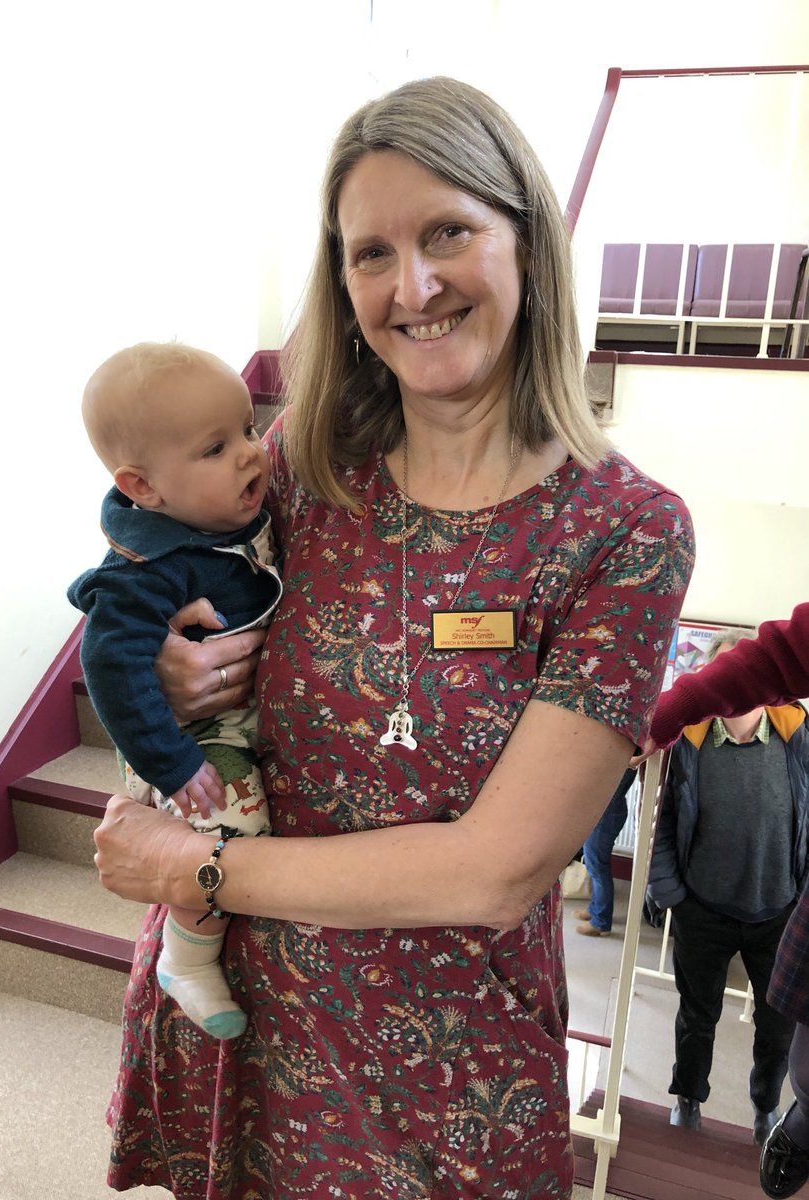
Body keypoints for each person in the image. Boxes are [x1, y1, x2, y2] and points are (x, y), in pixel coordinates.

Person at [91, 76, 695, 1200]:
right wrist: (171, 672)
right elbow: (147, 574)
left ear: (526, 242)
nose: (412, 286)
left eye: (448, 232)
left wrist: (194, 865)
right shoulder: (302, 471)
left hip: (440, 1065)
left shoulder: (625, 533)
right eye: (371, 253)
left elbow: (496, 870)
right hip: (239, 1011)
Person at [68, 343, 282, 1038]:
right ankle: (187, 956)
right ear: (145, 488)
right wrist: (169, 763)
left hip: (242, 713)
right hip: (187, 739)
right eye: (216, 448)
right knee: (233, 823)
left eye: (249, 429)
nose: (251, 453)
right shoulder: (144, 570)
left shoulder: (231, 513)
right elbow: (110, 664)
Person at [636, 603, 809, 1197]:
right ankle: (688, 1094)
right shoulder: (690, 743)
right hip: (704, 908)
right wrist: (672, 895)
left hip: (779, 911)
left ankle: (766, 1110)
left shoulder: (794, 733)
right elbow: (663, 824)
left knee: (777, 1027)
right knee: (697, 1013)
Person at [575, 767, 636, 937]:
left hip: (606, 814)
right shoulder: (626, 753)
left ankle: (601, 922)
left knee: (598, 868)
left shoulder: (626, 755)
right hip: (606, 812)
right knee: (595, 865)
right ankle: (595, 910)